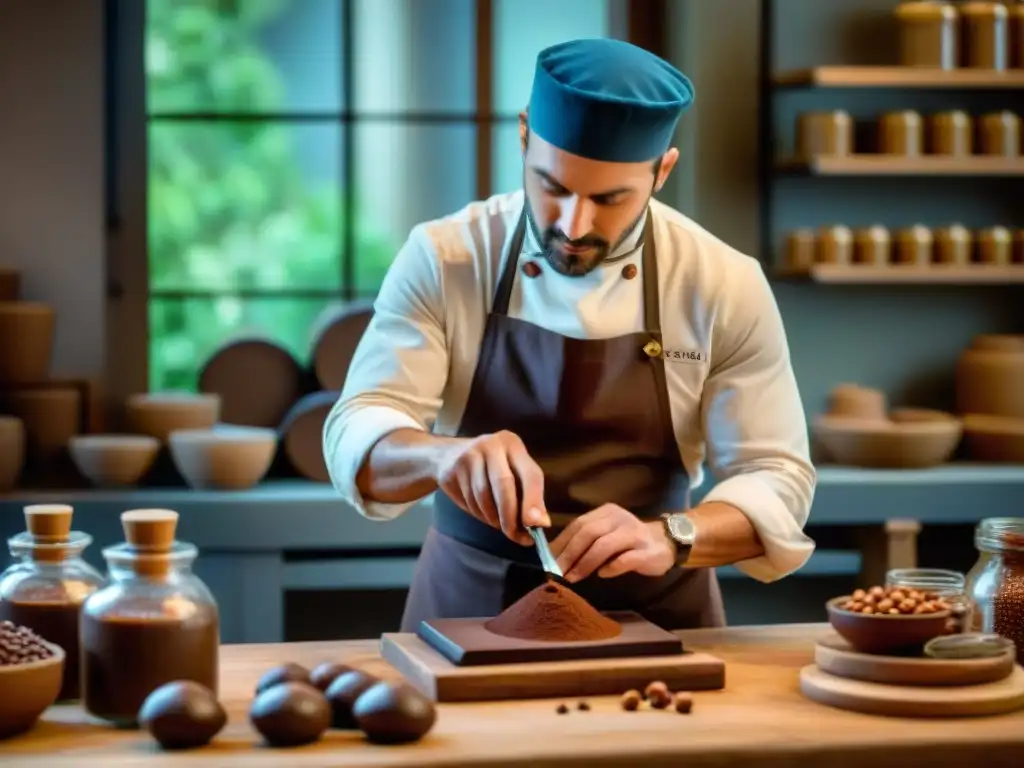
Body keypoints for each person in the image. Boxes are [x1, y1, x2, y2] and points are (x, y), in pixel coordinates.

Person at [323, 38, 816, 633]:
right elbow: (359, 427)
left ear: (663, 171)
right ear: (525, 136)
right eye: (552, 187)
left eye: (610, 200)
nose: (573, 226)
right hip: (468, 603)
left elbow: (778, 477)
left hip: (660, 612)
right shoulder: (447, 257)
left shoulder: (721, 282)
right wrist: (443, 457)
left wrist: (673, 533)